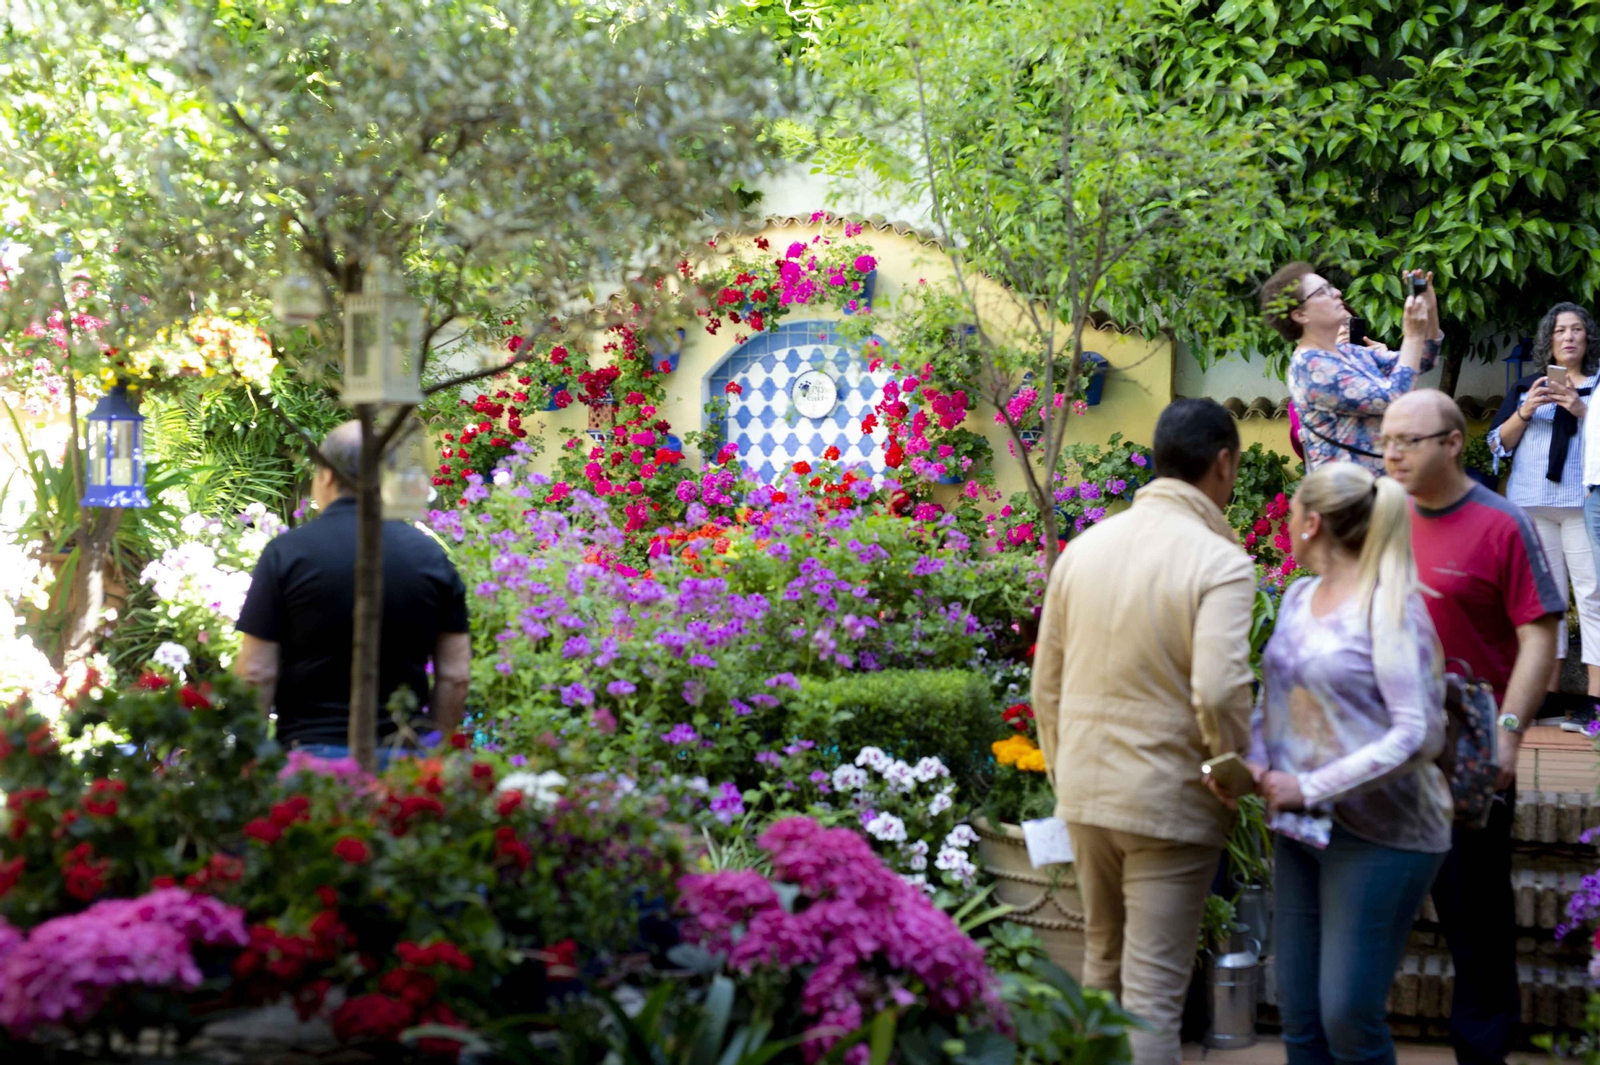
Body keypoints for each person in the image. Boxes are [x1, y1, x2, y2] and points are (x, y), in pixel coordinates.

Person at [1032, 398, 1256, 1065]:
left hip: (1087, 792)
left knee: (1101, 968)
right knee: (1154, 997)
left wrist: (1062, 771)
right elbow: (1218, 689)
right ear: (1223, 464)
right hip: (1171, 800)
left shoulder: (1084, 548)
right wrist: (1232, 772)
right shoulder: (1221, 562)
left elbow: (1047, 682)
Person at [1232, 462, 1452, 1065]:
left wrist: (1307, 784)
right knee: (1300, 1017)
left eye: (1291, 515)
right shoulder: (1300, 596)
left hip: (1386, 834)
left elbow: (1419, 733)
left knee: (1347, 1015)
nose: (1285, 526)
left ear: (1312, 523)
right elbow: (1273, 694)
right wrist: (1252, 763)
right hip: (1302, 831)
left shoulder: (1394, 608)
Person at [1380, 390, 1563, 1065]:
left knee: (1476, 922)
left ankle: (1482, 1053)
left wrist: (1510, 730)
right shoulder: (1379, 516)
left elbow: (1538, 634)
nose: (1391, 452)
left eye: (1408, 440)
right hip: (1383, 748)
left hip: (1467, 751)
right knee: (1372, 913)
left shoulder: (1502, 523)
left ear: (1453, 443)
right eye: (1386, 438)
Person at [233, 421, 472, 759]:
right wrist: (434, 752)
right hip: (402, 759)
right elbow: (456, 674)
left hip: (307, 760)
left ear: (327, 476)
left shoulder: (287, 554)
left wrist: (248, 758)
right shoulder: (430, 556)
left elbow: (255, 673)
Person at [1490, 301, 1600, 710]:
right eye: (1559, 331)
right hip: (1532, 504)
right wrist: (1525, 410)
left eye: (1575, 330)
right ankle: (1548, 693)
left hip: (1582, 503)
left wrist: (1581, 410)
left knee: (1592, 596)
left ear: (1587, 337)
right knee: (1544, 600)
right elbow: (1498, 443)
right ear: (1548, 341)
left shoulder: (1598, 386)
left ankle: (1594, 696)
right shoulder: (1527, 386)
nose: (1568, 337)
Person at [1262, 261, 1442, 473]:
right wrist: (1412, 334)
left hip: (1378, 491)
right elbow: (1393, 397)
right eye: (1323, 292)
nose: (1337, 293)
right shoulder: (1310, 366)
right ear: (1300, 315)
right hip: (1348, 498)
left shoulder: (1350, 353)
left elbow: (1424, 359)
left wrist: (1430, 309)